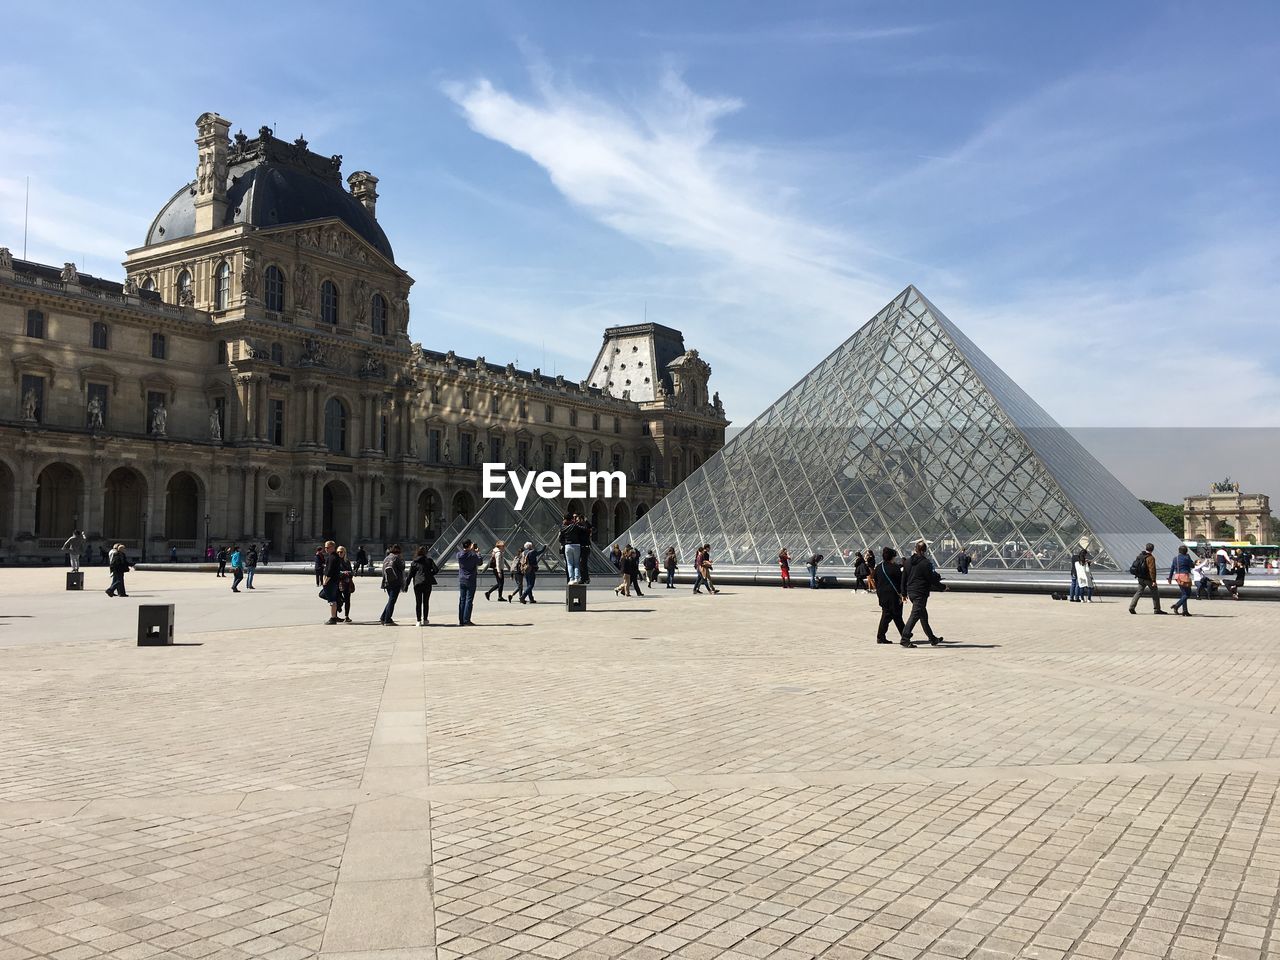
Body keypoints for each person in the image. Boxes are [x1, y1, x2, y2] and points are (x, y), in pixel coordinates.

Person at [900, 540, 945, 647]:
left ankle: (932, 639)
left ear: (915, 549)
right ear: (924, 550)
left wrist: (903, 593)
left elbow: (903, 579)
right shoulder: (926, 563)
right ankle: (905, 638)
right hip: (921, 592)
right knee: (915, 615)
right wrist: (942, 587)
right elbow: (931, 579)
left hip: (911, 592)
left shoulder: (907, 562)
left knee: (923, 615)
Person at [874, 547, 907, 646]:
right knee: (892, 615)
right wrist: (903, 594)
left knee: (890, 615)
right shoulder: (895, 568)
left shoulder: (879, 567)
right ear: (892, 557)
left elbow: (876, 580)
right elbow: (901, 582)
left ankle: (904, 634)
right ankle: (904, 635)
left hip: (882, 595)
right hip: (893, 596)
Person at [1128, 542, 1165, 615]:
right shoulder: (1150, 558)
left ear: (1146, 548)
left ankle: (1132, 607)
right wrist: (1154, 580)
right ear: (1153, 549)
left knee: (1139, 592)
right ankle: (1157, 609)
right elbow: (1152, 570)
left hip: (1140, 578)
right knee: (1155, 593)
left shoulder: (1140, 556)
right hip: (1148, 579)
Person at [409, 546, 438, 626]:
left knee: (418, 603)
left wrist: (406, 585)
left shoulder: (414, 562)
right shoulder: (429, 561)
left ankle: (418, 621)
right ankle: (425, 619)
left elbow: (410, 575)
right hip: (427, 583)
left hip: (417, 584)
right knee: (426, 602)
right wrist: (429, 574)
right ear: (425, 553)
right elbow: (436, 570)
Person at [379, 544, 406, 625]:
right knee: (392, 601)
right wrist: (402, 559)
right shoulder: (396, 558)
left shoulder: (386, 558)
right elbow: (402, 567)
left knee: (390, 600)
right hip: (395, 582)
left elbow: (383, 572)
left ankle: (383, 617)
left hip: (387, 582)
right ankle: (388, 620)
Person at [456, 539, 482, 624]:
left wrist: (470, 550)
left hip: (462, 579)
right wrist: (477, 552)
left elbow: (463, 553)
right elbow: (480, 562)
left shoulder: (459, 555)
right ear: (470, 545)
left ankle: (461, 620)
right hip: (471, 579)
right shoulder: (473, 555)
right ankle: (466, 620)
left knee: (462, 600)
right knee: (469, 600)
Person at [1167, 545, 1194, 616]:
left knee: (1184, 594)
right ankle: (1177, 605)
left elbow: (1172, 568)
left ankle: (1185, 611)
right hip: (1184, 576)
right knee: (1188, 594)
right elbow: (1192, 565)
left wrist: (1170, 578)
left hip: (1177, 577)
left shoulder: (1175, 558)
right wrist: (1189, 558)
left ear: (1179, 551)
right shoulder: (1186, 558)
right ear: (1186, 551)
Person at [320, 541, 342, 624]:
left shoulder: (332, 557)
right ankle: (337, 607)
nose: (325, 549)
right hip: (334, 581)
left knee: (332, 600)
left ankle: (333, 618)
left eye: (327, 547)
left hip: (331, 582)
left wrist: (326, 580)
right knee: (326, 596)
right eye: (325, 547)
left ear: (333, 547)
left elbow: (330, 570)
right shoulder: (334, 556)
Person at [561, 514, 585, 585]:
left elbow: (560, 538)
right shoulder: (575, 526)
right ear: (571, 519)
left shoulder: (563, 527)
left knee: (569, 564)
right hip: (577, 545)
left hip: (568, 546)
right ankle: (577, 578)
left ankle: (571, 579)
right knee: (576, 563)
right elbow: (583, 529)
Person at [335, 545, 355, 622]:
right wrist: (344, 573)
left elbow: (351, 572)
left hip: (346, 583)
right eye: (338, 552)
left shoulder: (347, 561)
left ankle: (347, 616)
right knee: (337, 599)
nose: (340, 553)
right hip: (338, 583)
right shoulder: (335, 561)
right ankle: (335, 615)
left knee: (347, 600)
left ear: (344, 552)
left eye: (341, 552)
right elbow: (335, 572)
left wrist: (347, 573)